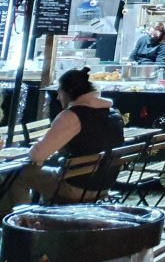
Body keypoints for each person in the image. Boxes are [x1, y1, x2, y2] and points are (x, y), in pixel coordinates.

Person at [0, 67, 125, 219]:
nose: (58, 98)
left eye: (59, 91)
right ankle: (41, 215)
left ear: (69, 92)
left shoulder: (72, 116)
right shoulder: (113, 114)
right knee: (43, 170)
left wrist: (38, 148)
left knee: (13, 174)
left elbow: (37, 154)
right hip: (103, 185)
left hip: (76, 186)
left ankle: (20, 221)